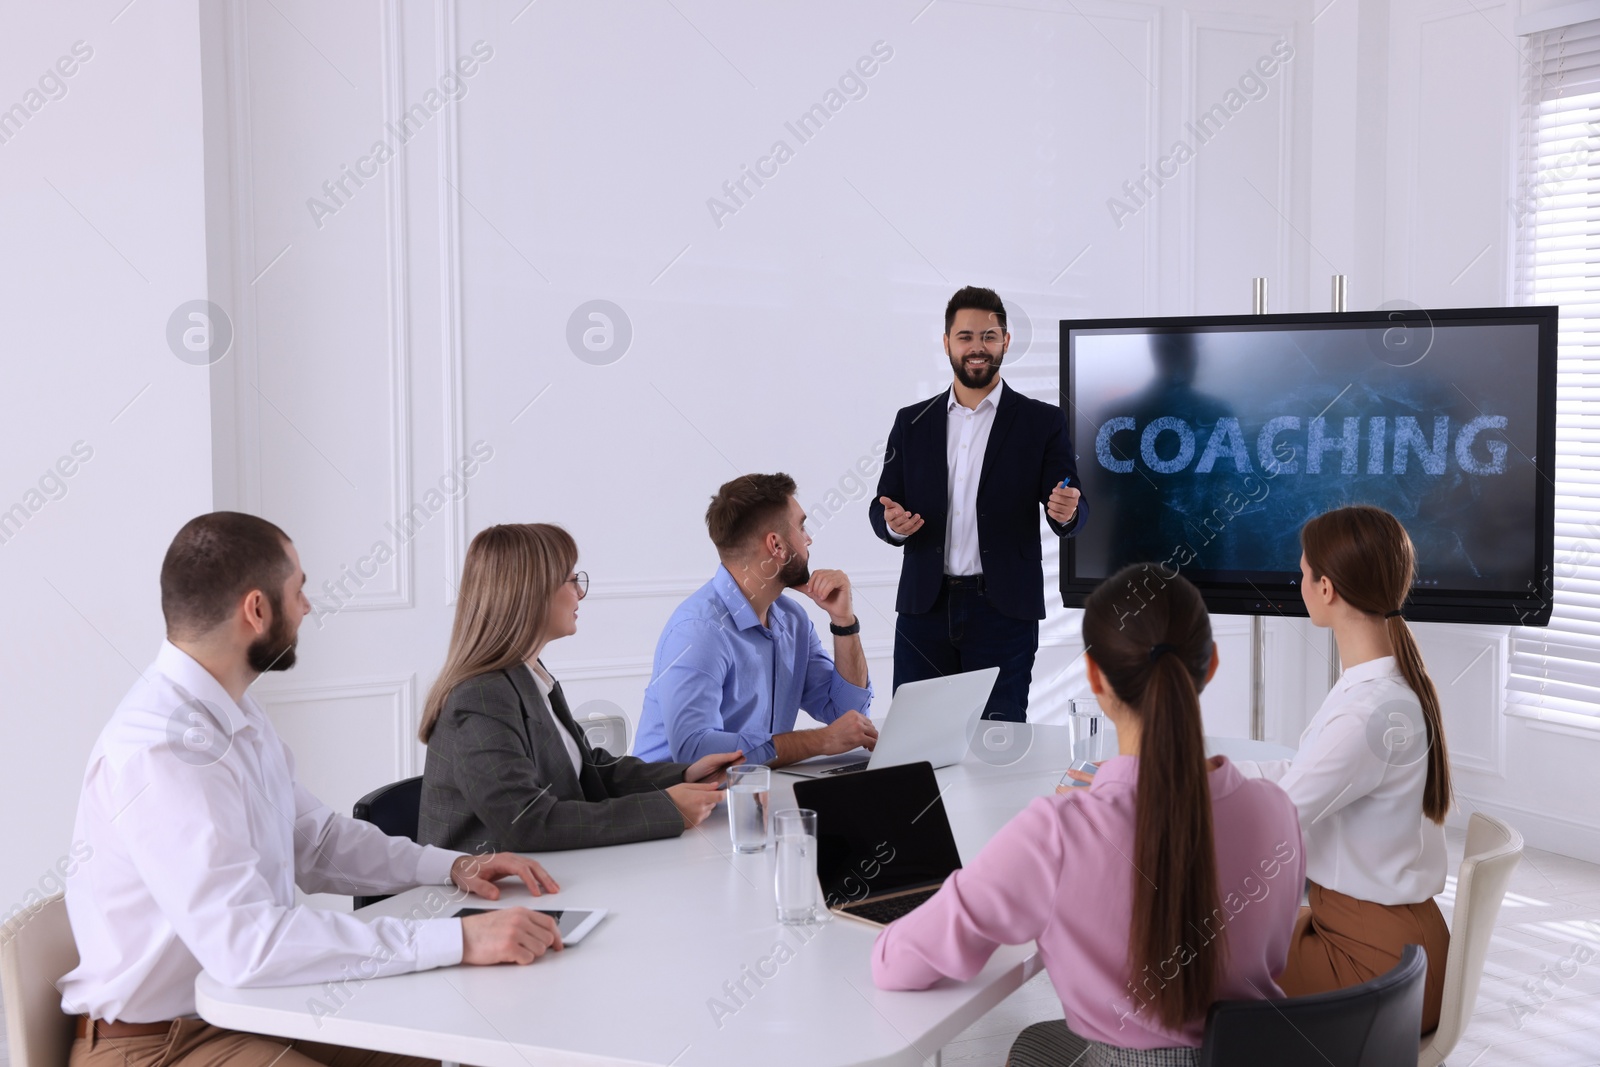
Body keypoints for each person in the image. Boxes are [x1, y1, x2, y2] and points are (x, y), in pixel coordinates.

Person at [59, 512, 564, 1067]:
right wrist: (461, 942)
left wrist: (449, 868)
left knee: (436, 1044)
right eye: (299, 590)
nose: (307, 606)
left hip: (244, 1009)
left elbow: (317, 841)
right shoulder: (161, 750)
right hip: (158, 1044)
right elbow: (247, 946)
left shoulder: (233, 716)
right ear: (257, 609)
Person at [873, 564, 1305, 1065]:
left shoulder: (1056, 834)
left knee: (1033, 1044)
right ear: (1209, 667)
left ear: (1095, 676)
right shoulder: (1277, 812)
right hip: (1260, 1057)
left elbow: (898, 965)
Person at [1232, 505, 1453, 1033]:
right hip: (1390, 937)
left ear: (1326, 588)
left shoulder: (1370, 711)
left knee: (1203, 967)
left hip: (1374, 962)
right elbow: (1304, 773)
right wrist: (1211, 771)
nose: (1300, 582)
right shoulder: (1384, 686)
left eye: (1303, 572)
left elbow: (1279, 814)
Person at [417, 523, 743, 852]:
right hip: (490, 896)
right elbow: (528, 822)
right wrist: (668, 809)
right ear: (531, 592)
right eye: (572, 580)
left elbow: (589, 769)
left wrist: (684, 776)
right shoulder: (480, 698)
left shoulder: (528, 675)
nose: (580, 592)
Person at [870, 286, 1089, 722]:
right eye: (966, 336)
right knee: (917, 747)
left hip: (1003, 613)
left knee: (998, 747)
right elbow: (882, 508)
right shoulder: (911, 422)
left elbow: (1073, 504)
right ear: (947, 341)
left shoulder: (1042, 422)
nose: (977, 347)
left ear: (1005, 342)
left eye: (989, 336)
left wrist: (1067, 512)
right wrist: (894, 523)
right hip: (923, 611)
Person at [634, 473, 878, 767]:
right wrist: (820, 740)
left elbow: (847, 716)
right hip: (674, 806)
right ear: (777, 546)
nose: (808, 538)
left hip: (753, 791)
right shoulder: (699, 631)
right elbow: (696, 751)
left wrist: (843, 621)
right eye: (801, 527)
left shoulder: (792, 620)